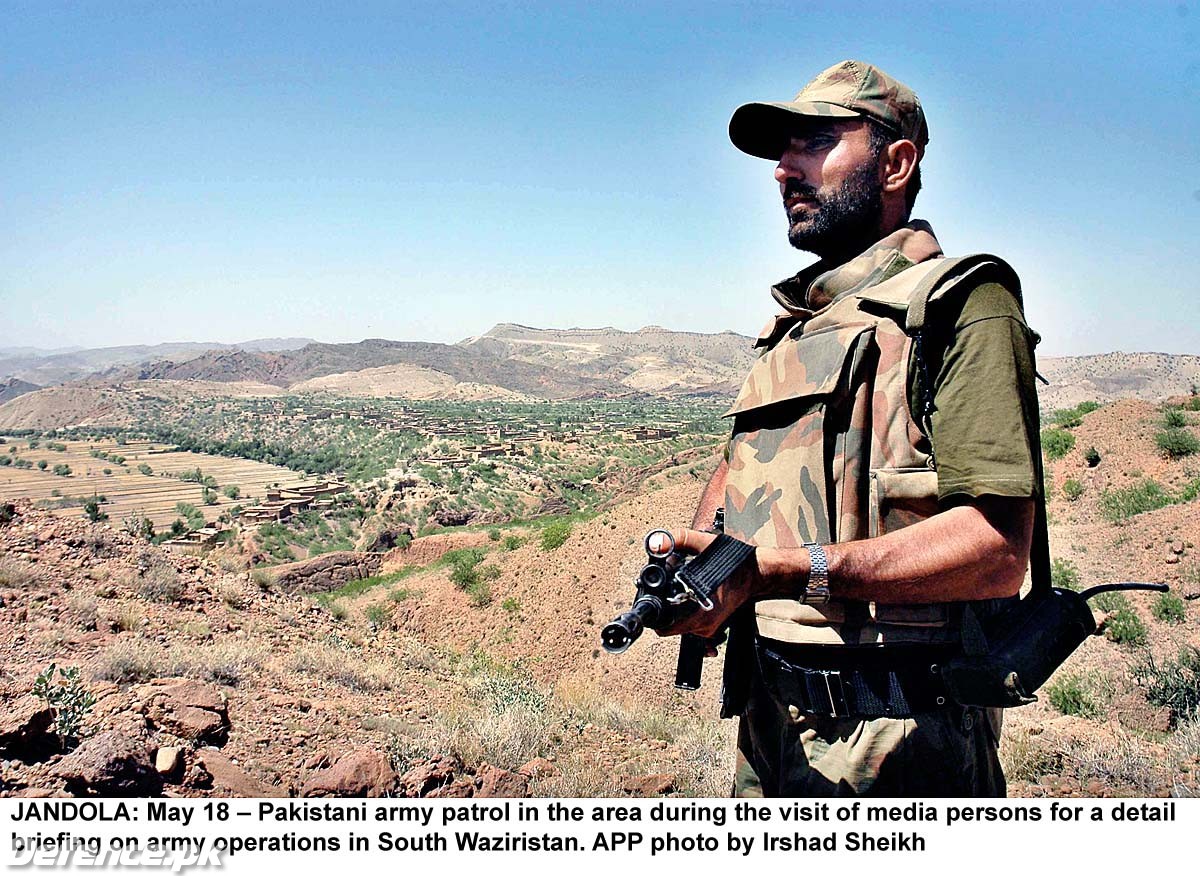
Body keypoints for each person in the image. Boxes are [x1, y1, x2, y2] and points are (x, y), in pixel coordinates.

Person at [657, 60, 1043, 797]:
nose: (782, 170)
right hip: (768, 721)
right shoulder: (800, 325)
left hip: (897, 744)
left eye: (814, 142)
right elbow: (743, 467)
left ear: (897, 163)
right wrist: (701, 568)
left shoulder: (960, 303)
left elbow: (997, 551)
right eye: (782, 150)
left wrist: (780, 572)